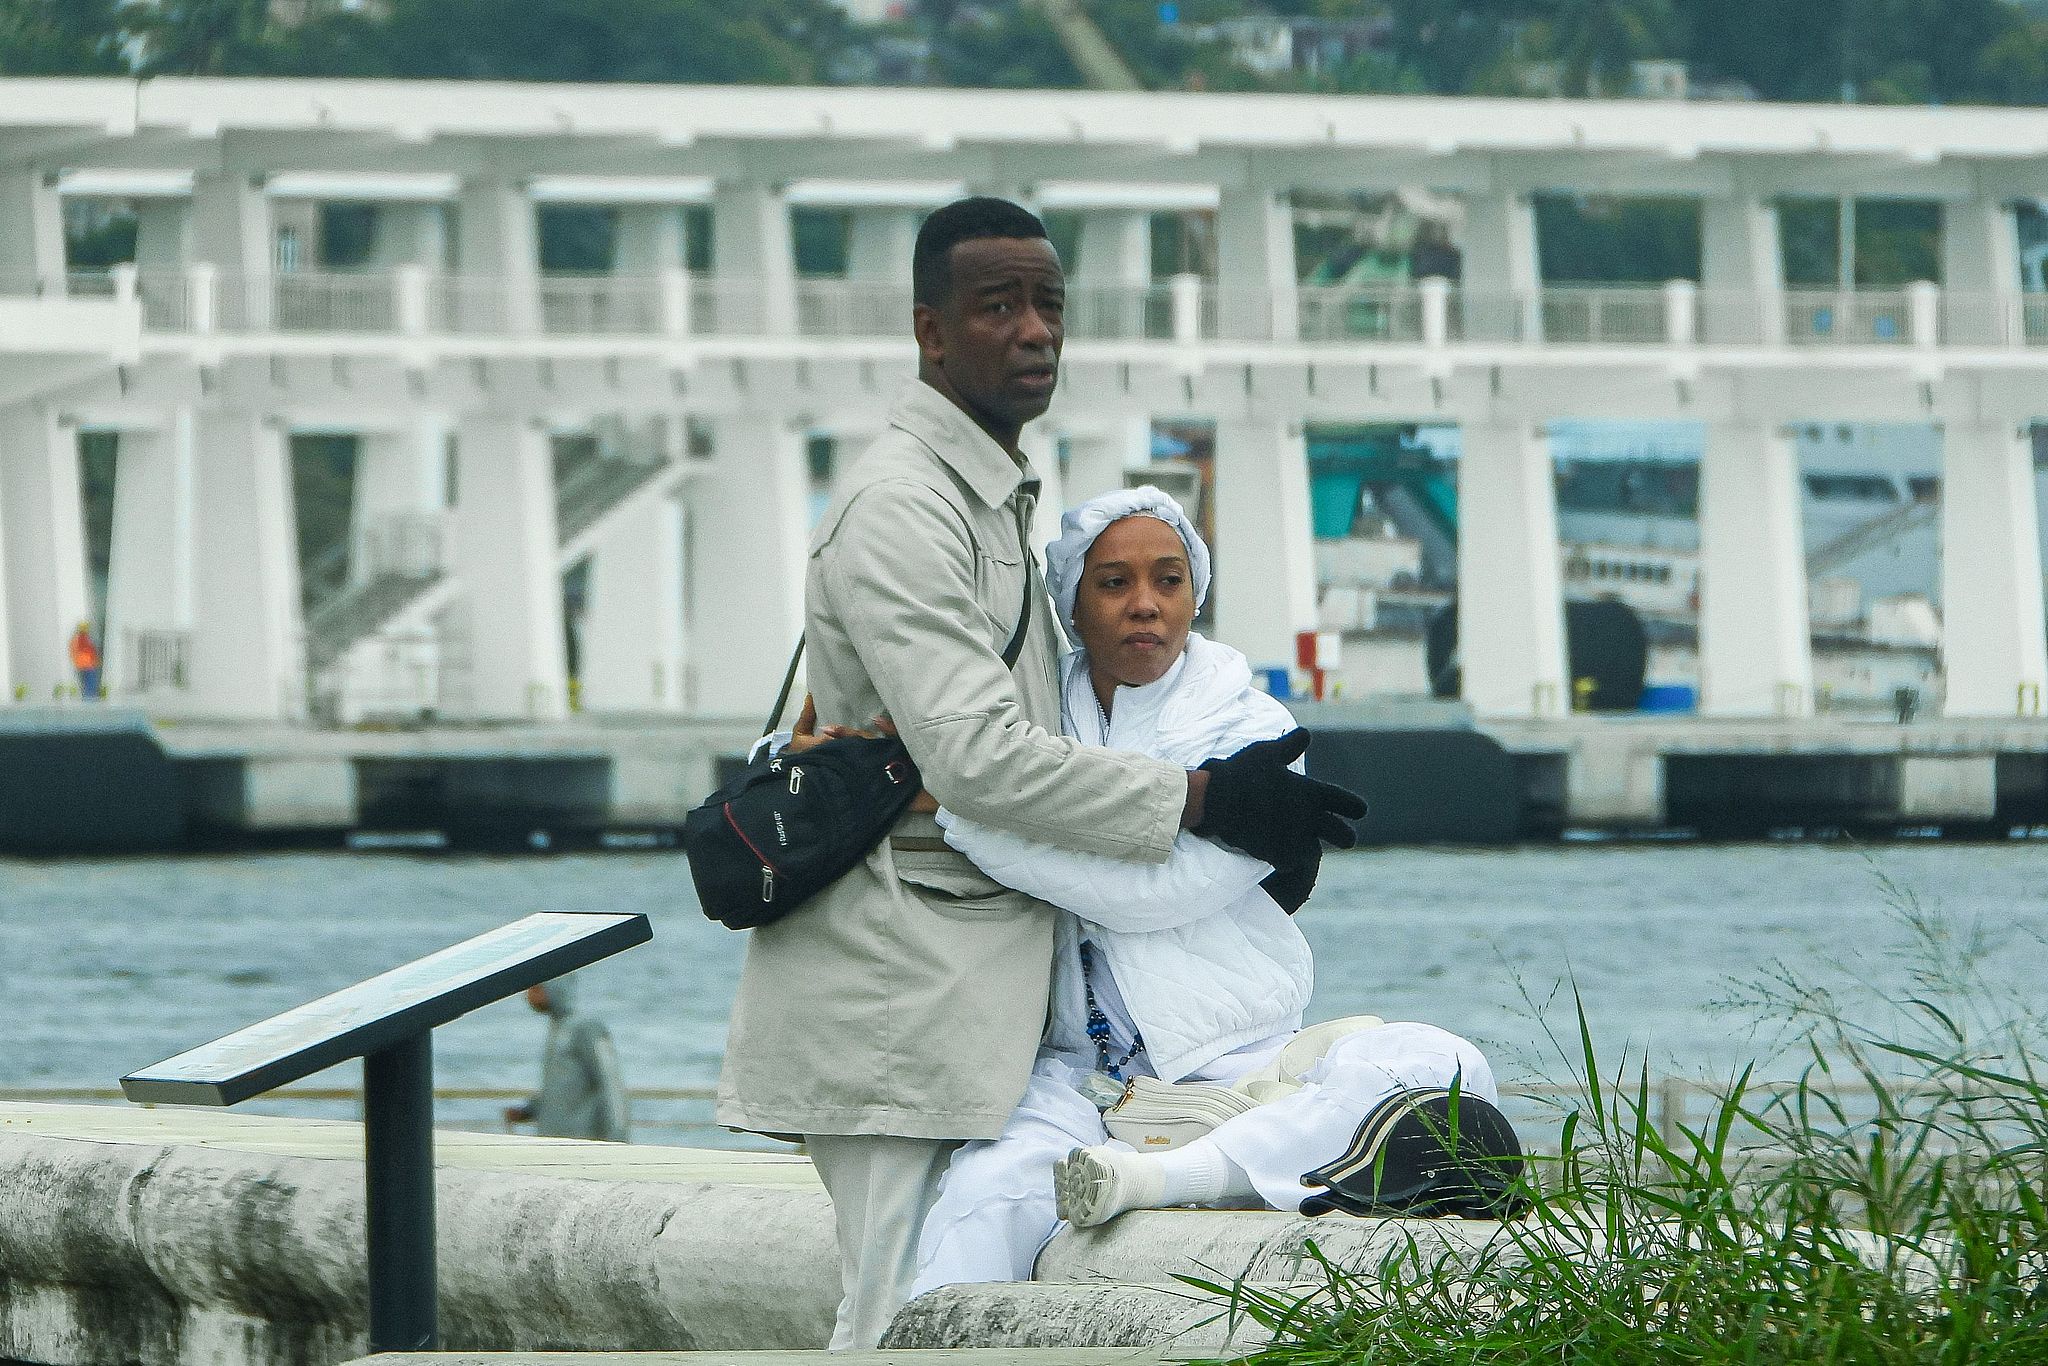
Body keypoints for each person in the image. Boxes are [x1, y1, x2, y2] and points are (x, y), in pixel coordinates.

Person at [714, 196, 1366, 1351]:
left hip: (959, 995)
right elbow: (976, 758)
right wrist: (1208, 804)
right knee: (889, 1322)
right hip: (894, 995)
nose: (1033, 332)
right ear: (929, 332)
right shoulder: (906, 507)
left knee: (917, 1308)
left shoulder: (983, 496)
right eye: (996, 305)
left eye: (1048, 305)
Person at [907, 487, 1515, 1295]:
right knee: (979, 1205)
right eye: (1114, 584)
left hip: (1235, 1064)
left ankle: (1159, 1178)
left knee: (1442, 1064)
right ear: (1072, 604)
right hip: (1071, 1072)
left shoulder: (1255, 728)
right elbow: (870, 727)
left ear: (1195, 593)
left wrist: (969, 817)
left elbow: (1160, 894)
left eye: (1168, 580)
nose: (1145, 606)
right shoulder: (1028, 719)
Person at [504, 975, 629, 1143]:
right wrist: (529, 1111)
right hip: (554, 1143)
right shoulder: (556, 1029)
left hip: (582, 1142)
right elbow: (562, 1089)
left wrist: (618, 1138)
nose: (528, 994)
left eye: (535, 988)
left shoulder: (587, 1028)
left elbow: (611, 1085)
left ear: (555, 987)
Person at [69, 622, 101, 700]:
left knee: (85, 684)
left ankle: (87, 697)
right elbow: (92, 651)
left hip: (81, 665)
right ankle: (90, 698)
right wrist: (96, 660)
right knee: (90, 684)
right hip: (89, 665)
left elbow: (73, 652)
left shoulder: (75, 639)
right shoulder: (86, 639)